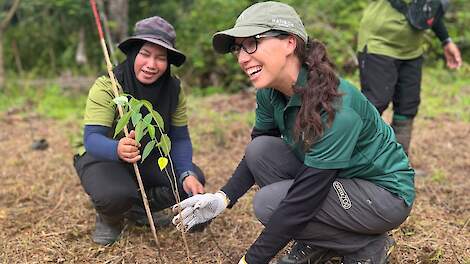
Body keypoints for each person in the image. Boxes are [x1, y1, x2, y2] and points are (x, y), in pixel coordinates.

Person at [171, 2, 415, 264]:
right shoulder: (270, 92)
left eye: (252, 43)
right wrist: (222, 198)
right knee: (261, 150)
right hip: (334, 181)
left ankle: (365, 245)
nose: (242, 57)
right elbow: (258, 156)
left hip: (382, 195)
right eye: (238, 48)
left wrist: (250, 260)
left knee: (268, 203)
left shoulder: (336, 107)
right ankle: (319, 242)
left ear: (289, 43)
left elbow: (303, 200)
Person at [73, 16, 206, 246]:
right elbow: (91, 138)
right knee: (114, 195)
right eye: (145, 54)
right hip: (105, 158)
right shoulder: (109, 85)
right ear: (133, 52)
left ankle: (137, 209)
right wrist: (117, 148)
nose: (151, 64)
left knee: (190, 183)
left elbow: (180, 137)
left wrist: (186, 173)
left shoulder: (174, 89)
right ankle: (111, 217)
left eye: (160, 58)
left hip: (148, 157)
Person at [357, 0, 462, 157]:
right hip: (379, 43)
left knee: (408, 105)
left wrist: (446, 40)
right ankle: (350, 159)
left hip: (412, 50)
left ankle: (398, 164)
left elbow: (428, 8)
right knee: (375, 102)